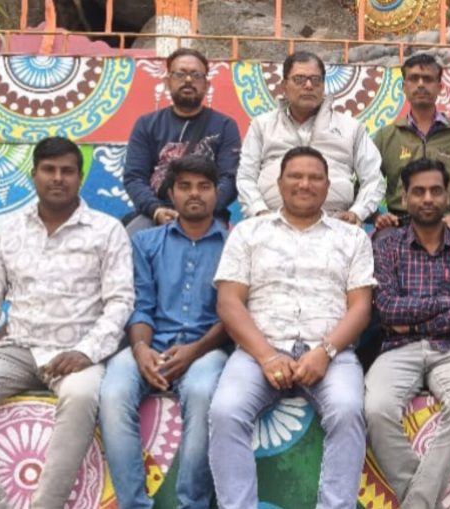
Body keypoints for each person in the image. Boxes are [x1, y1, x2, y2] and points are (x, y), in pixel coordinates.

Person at [0, 136, 134, 509]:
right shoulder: (9, 232)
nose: (58, 178)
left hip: (76, 354)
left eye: (67, 171)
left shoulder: (107, 230)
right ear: (33, 175)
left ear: (80, 177)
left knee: (81, 395)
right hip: (18, 352)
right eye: (49, 170)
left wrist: (86, 351)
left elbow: (120, 302)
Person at [209, 146, 375, 508]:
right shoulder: (248, 233)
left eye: (315, 178)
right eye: (295, 176)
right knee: (225, 412)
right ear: (279, 183)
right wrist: (267, 356)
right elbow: (229, 302)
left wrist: (325, 352)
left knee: (348, 410)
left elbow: (361, 308)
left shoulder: (352, 237)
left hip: (330, 352)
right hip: (259, 350)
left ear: (328, 185)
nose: (305, 184)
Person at [99, 154, 231, 509]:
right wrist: (141, 349)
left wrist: (194, 351)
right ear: (170, 193)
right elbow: (140, 304)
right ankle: (134, 504)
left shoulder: (234, 245)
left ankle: (193, 503)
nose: (194, 194)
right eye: (185, 186)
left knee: (202, 393)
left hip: (207, 350)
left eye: (204, 186)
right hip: (151, 344)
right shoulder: (146, 242)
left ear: (216, 193)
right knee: (113, 393)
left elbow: (231, 315)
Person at [366, 158, 450, 508]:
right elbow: (387, 309)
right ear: (404, 198)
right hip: (397, 348)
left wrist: (418, 323)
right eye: (418, 191)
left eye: (436, 191)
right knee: (376, 409)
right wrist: (449, 301)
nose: (427, 198)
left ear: (448, 196)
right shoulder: (387, 246)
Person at [236, 51, 384, 224]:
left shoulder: (350, 127)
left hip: (335, 222)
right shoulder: (262, 125)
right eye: (299, 79)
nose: (308, 85)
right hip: (272, 221)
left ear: (323, 85)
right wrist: (259, 211)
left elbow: (373, 177)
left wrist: (357, 212)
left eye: (315, 80)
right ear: (284, 85)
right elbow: (245, 177)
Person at [124, 47, 241, 234]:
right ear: (167, 82)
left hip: (209, 214)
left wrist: (201, 210)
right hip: (157, 213)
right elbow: (134, 177)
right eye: (180, 74)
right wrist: (156, 210)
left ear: (207, 85)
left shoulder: (225, 126)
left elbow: (230, 178)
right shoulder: (146, 125)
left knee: (229, 247)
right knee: (129, 242)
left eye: (196, 75)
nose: (188, 80)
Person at [372, 54, 450, 235]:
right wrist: (378, 217)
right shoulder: (387, 136)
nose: (421, 84)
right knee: (382, 243)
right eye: (414, 78)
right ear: (404, 87)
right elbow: (364, 187)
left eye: (428, 79)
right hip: (399, 226)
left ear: (440, 87)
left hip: (448, 223)